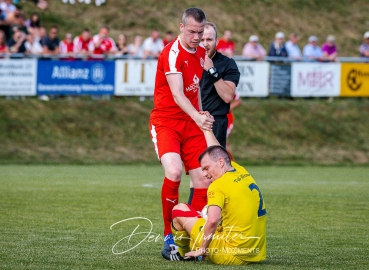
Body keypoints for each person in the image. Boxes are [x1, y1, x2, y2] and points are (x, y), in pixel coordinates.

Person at [149, 7, 214, 261]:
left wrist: (200, 114)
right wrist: (197, 116)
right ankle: (168, 237)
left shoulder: (200, 53)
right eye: (192, 32)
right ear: (181, 27)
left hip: (190, 122)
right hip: (166, 122)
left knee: (203, 180)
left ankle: (193, 237)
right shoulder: (171, 53)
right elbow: (177, 94)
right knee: (174, 171)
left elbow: (194, 91)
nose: (197, 37)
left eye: (201, 32)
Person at [169, 129, 267, 265]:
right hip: (255, 252)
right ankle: (193, 247)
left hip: (231, 255)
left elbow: (213, 220)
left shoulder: (217, 186)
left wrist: (203, 249)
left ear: (221, 162)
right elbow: (219, 152)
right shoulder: (240, 170)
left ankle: (184, 253)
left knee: (179, 209)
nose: (204, 174)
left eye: (206, 168)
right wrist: (207, 130)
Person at [200, 22, 240, 148]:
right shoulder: (187, 62)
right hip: (192, 122)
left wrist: (212, 71)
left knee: (214, 166)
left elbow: (228, 96)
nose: (205, 44)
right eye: (202, 40)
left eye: (209, 39)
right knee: (192, 167)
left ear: (217, 41)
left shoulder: (228, 64)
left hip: (215, 123)